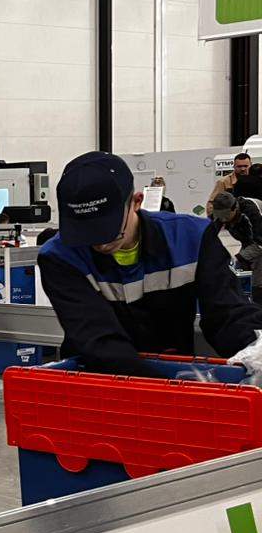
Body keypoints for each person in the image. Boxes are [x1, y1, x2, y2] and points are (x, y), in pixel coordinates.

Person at [38, 151, 262, 377]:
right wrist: (160, 388)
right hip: (98, 379)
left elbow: (227, 314)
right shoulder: (60, 257)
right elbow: (98, 340)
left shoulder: (190, 239)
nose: (99, 242)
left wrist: (254, 347)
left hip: (173, 373)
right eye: (84, 232)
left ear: (136, 202)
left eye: (108, 229)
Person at [211, 192, 262, 306]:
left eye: (226, 216)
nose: (223, 220)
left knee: (258, 279)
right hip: (250, 242)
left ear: (234, 209)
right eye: (219, 216)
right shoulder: (221, 213)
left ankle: (258, 307)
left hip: (260, 242)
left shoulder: (251, 212)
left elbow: (259, 245)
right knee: (233, 272)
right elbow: (210, 236)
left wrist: (237, 258)